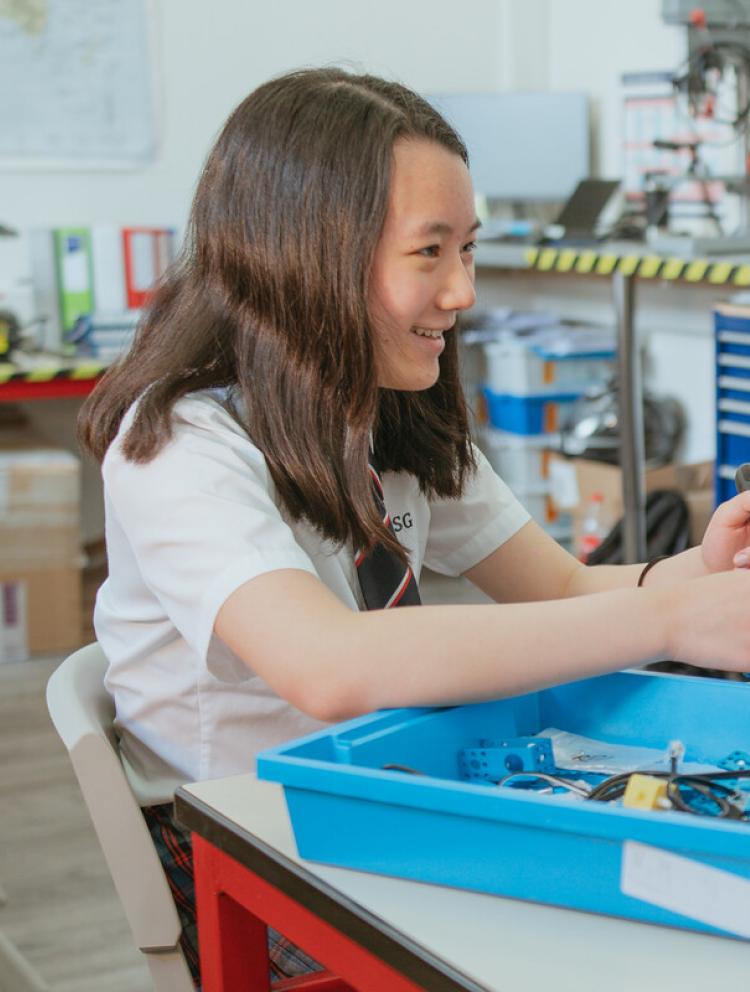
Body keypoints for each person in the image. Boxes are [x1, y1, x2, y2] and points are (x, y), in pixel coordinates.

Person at [78, 67, 750, 986]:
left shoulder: (389, 406)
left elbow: (557, 586)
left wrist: (695, 576)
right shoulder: (180, 443)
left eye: (466, 250)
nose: (462, 290)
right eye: (428, 253)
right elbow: (331, 667)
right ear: (306, 252)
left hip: (383, 789)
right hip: (251, 843)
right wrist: (669, 623)